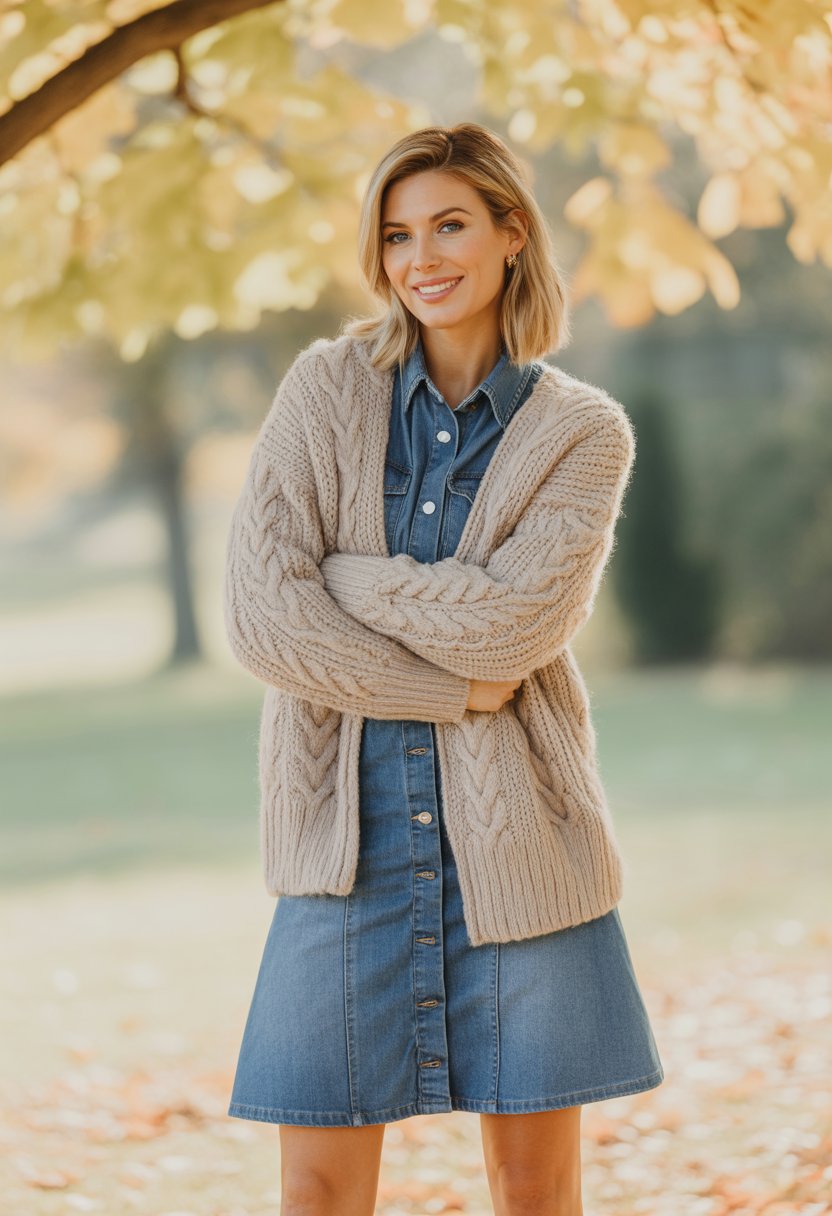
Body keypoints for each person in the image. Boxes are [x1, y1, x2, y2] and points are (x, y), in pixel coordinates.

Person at [223, 122, 664, 1216]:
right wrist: (439, 687)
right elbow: (260, 619)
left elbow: (516, 634)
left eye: (450, 224)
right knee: (318, 1186)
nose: (421, 257)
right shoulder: (324, 388)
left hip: (522, 849)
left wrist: (342, 574)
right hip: (344, 845)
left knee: (533, 1186)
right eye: (396, 233)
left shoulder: (581, 433)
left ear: (513, 232)